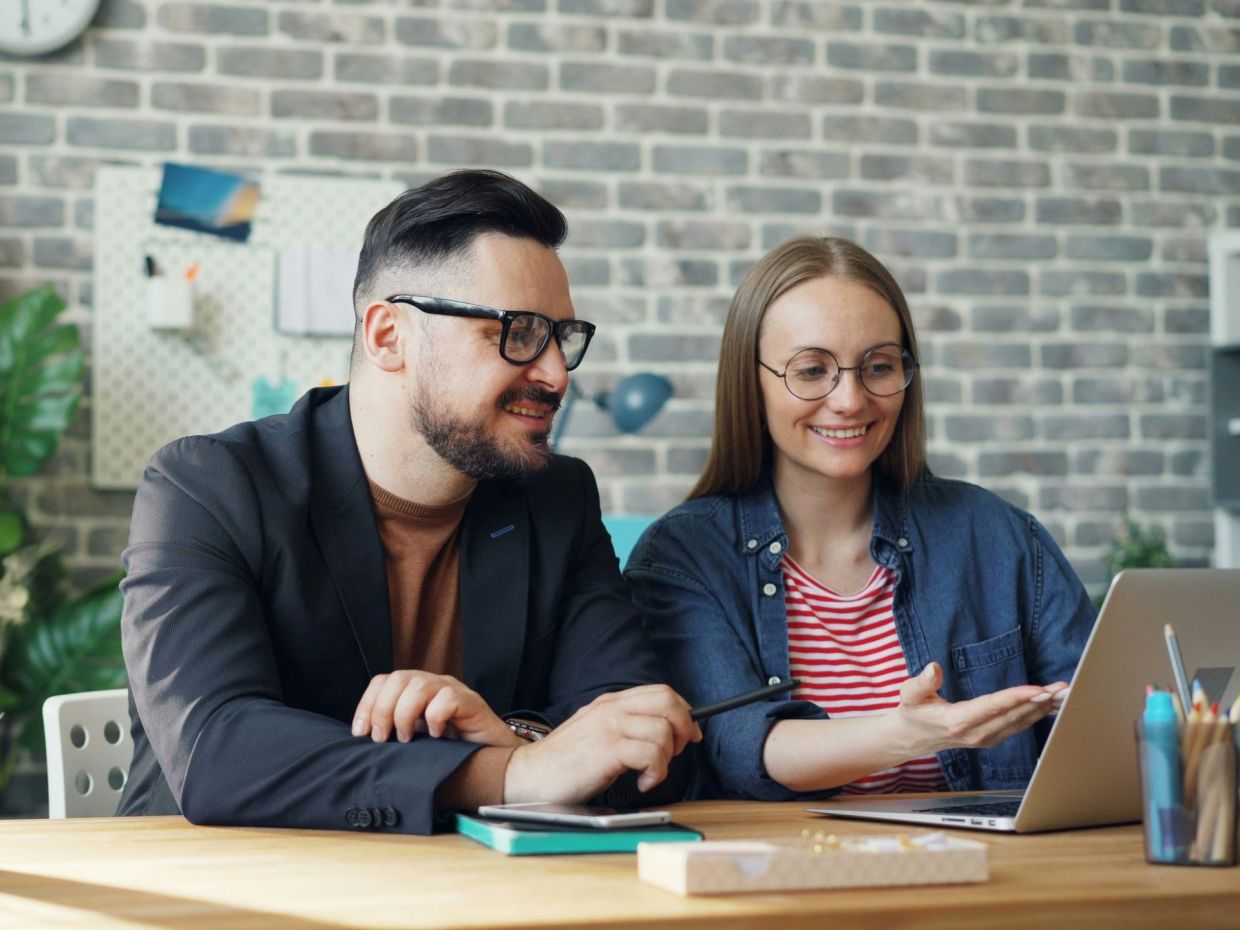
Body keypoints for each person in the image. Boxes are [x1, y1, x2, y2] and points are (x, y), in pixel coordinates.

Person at [119, 169, 699, 834]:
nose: (555, 373)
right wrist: (510, 774)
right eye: (517, 331)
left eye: (561, 337)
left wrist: (513, 738)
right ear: (388, 336)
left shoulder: (554, 498)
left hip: (461, 894)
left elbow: (644, 737)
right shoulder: (208, 487)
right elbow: (218, 751)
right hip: (212, 889)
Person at [625, 236, 1095, 802]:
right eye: (812, 370)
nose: (849, 400)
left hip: (987, 876)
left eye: (878, 366)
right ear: (751, 382)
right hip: (783, 878)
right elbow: (742, 746)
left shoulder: (999, 536)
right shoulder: (683, 556)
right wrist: (906, 735)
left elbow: (1105, 723)